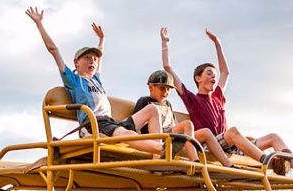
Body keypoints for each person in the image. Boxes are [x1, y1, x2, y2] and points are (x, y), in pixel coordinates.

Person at [161, 27, 293, 178]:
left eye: (214, 75)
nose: (214, 77)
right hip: (210, 145)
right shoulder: (192, 98)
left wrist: (218, 43)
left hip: (230, 145)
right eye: (209, 73)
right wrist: (165, 43)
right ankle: (269, 161)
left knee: (274, 137)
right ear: (198, 78)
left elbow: (226, 72)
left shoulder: (217, 96)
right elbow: (168, 67)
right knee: (232, 132)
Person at [25, 7, 185, 158]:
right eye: (87, 58)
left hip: (110, 123)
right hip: (93, 125)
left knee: (152, 109)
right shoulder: (74, 80)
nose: (92, 61)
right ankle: (164, 149)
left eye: (94, 59)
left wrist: (102, 39)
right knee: (129, 134)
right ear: (76, 62)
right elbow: (54, 49)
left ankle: (157, 156)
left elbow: (100, 56)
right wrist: (39, 24)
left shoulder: (96, 79)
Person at [132, 70, 203, 162]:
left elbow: (174, 124)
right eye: (162, 88)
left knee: (191, 129)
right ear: (151, 88)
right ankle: (194, 160)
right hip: (153, 134)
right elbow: (136, 122)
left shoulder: (168, 104)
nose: (165, 92)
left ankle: (182, 152)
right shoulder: (145, 101)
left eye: (168, 89)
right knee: (187, 124)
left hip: (168, 134)